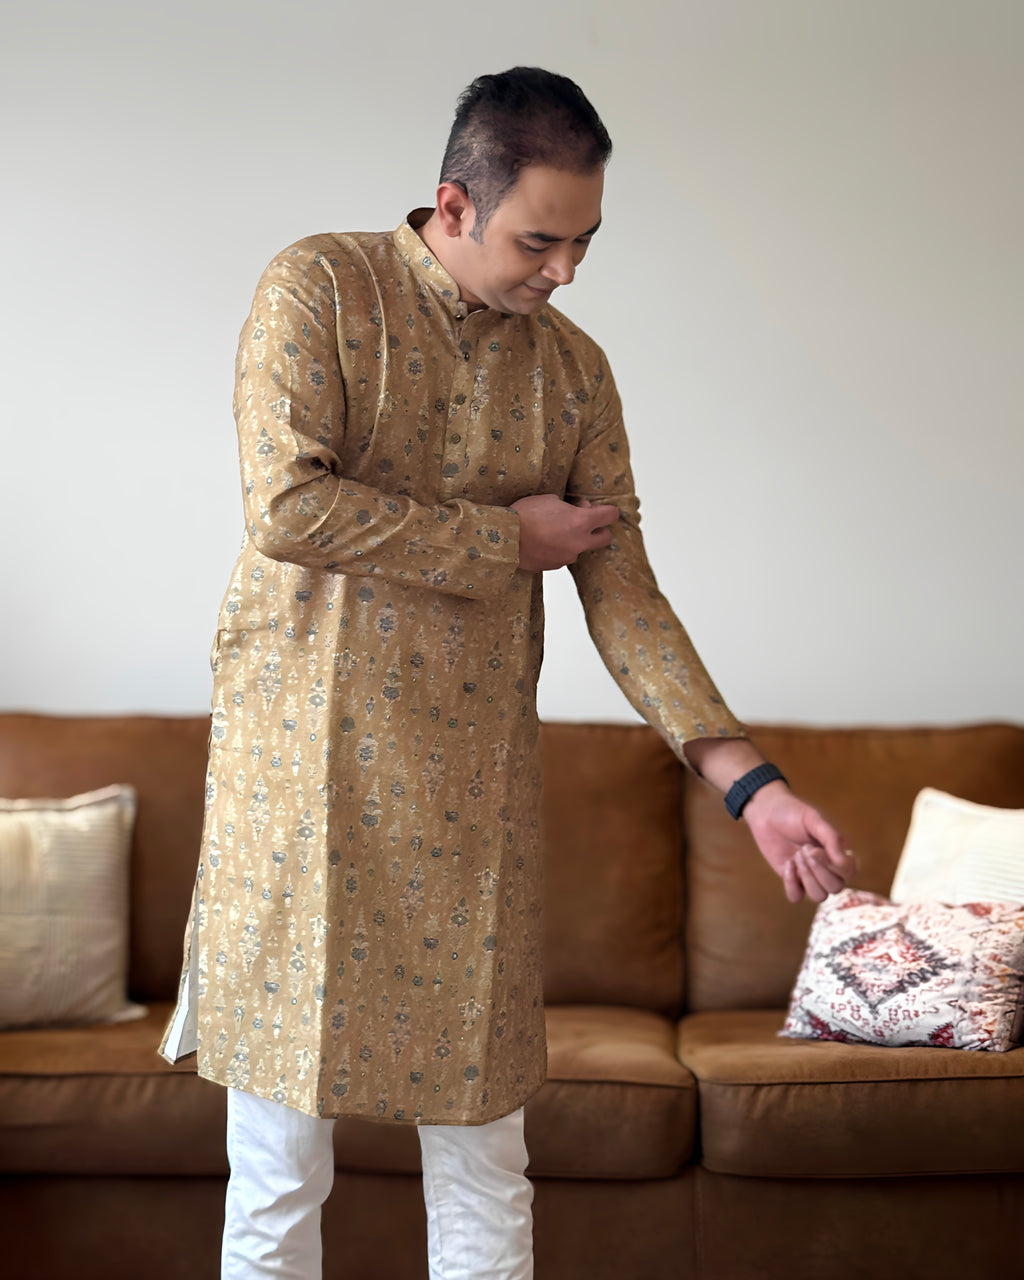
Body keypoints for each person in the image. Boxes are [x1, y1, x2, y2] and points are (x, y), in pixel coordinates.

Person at [161, 66, 855, 1280]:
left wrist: (751, 782)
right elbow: (284, 502)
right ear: (455, 202)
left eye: (586, 242)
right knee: (279, 1172)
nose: (566, 271)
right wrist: (502, 539)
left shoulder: (573, 370)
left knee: (485, 1162)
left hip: (465, 802)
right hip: (299, 786)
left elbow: (623, 587)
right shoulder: (321, 285)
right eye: (543, 239)